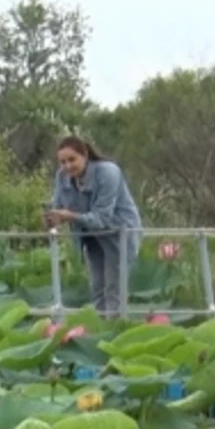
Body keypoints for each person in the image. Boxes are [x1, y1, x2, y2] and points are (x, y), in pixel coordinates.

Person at [45, 136, 142, 318]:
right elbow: (57, 205)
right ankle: (99, 332)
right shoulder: (62, 177)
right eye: (62, 162)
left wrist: (70, 216)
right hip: (89, 236)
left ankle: (115, 333)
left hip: (118, 233)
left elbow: (102, 218)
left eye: (72, 160)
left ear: (85, 155)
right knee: (97, 288)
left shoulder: (108, 172)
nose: (67, 166)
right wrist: (52, 218)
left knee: (114, 289)